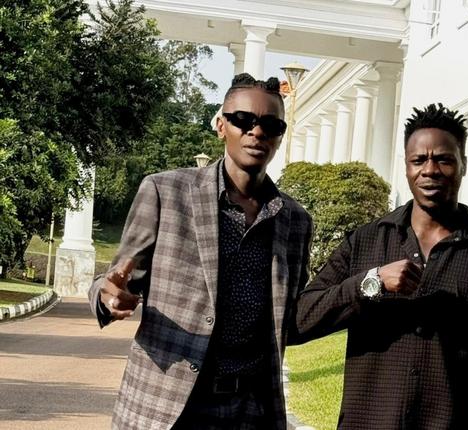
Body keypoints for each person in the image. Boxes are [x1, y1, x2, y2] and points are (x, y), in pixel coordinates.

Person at [88, 73, 313, 430]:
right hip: (168, 407)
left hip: (250, 411)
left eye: (270, 124)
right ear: (222, 126)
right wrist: (109, 297)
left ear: (280, 135)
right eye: (243, 120)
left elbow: (294, 316)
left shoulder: (296, 220)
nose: (256, 132)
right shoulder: (165, 192)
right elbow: (118, 278)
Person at [294, 103, 468, 429]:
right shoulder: (365, 242)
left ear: (463, 164)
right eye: (418, 160)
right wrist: (371, 282)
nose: (430, 170)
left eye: (444, 159)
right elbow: (297, 322)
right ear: (406, 167)